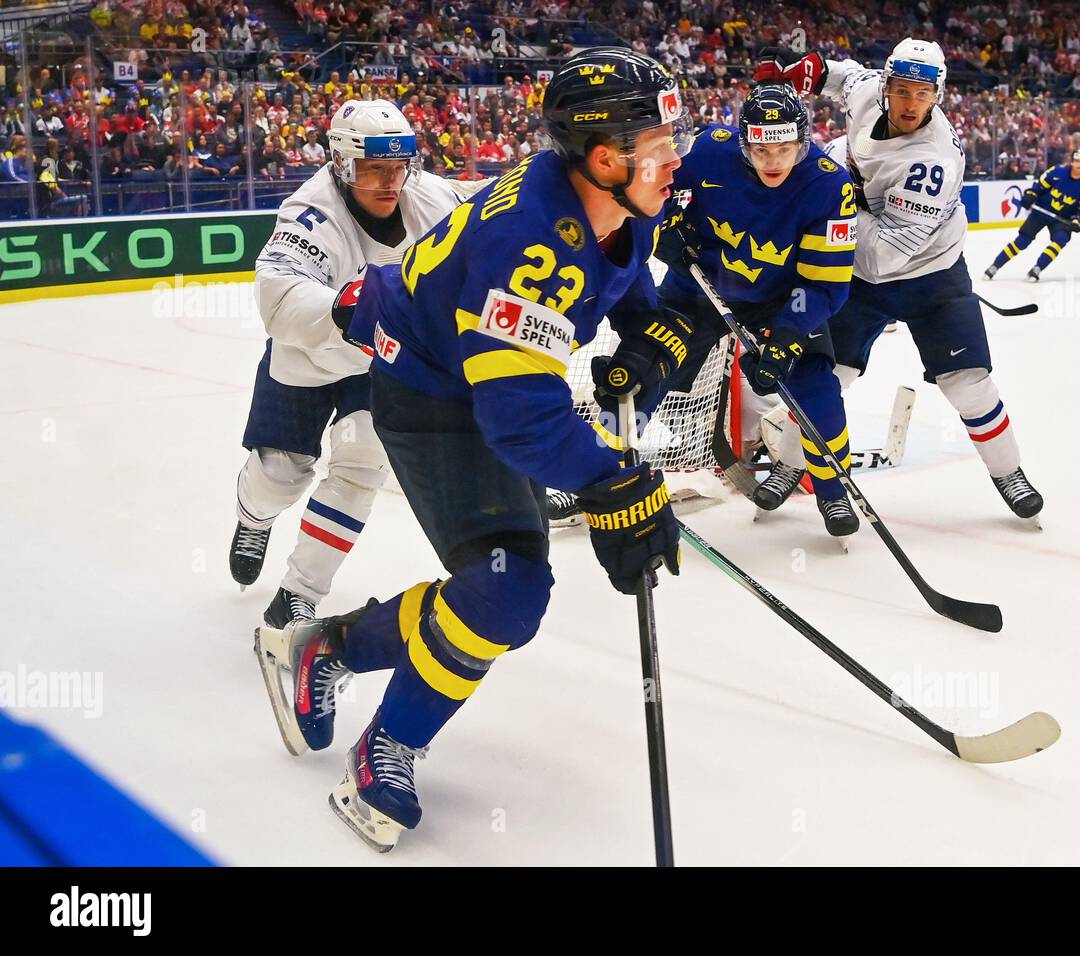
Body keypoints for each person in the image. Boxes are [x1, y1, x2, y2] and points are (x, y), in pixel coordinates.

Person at [253, 48, 690, 852]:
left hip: (475, 380)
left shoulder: (609, 198)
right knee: (506, 593)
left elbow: (625, 281)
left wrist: (651, 336)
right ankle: (386, 748)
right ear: (603, 157)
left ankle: (331, 648)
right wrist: (611, 482)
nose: (676, 161)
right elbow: (520, 419)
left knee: (503, 591)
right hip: (430, 393)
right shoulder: (534, 244)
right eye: (662, 145)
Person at [757, 39, 1045, 522]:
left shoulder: (931, 161)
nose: (911, 103)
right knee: (823, 378)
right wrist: (811, 71)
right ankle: (790, 463)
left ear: (939, 96)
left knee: (968, 382)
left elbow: (881, 258)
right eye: (903, 89)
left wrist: (835, 188)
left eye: (923, 93)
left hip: (930, 276)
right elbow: (847, 76)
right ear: (887, 85)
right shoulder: (872, 91)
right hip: (861, 273)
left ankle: (1008, 471)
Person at [229, 99, 481, 628]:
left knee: (363, 460)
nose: (390, 184)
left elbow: (490, 208)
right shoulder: (310, 214)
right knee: (280, 475)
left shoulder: (430, 196)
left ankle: (299, 592)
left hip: (379, 359)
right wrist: (346, 306)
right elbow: (277, 295)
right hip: (309, 357)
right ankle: (255, 518)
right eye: (373, 171)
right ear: (343, 165)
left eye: (397, 168)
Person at [648, 83, 860, 536]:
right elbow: (654, 193)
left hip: (781, 301)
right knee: (644, 363)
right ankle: (599, 467)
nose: (773, 161)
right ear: (744, 143)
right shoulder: (707, 152)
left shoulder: (828, 185)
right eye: (762, 150)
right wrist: (661, 227)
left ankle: (833, 490)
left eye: (785, 149)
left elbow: (824, 280)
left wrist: (789, 333)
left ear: (803, 143)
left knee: (816, 389)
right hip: (700, 289)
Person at [984, 148, 1080, 280]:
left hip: (1062, 219)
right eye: (1077, 160)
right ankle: (995, 266)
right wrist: (1030, 195)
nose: (1079, 164)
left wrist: (1077, 219)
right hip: (1041, 211)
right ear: (1071, 161)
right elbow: (1038, 187)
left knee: (1060, 240)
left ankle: (1037, 269)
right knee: (1022, 241)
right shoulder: (1057, 172)